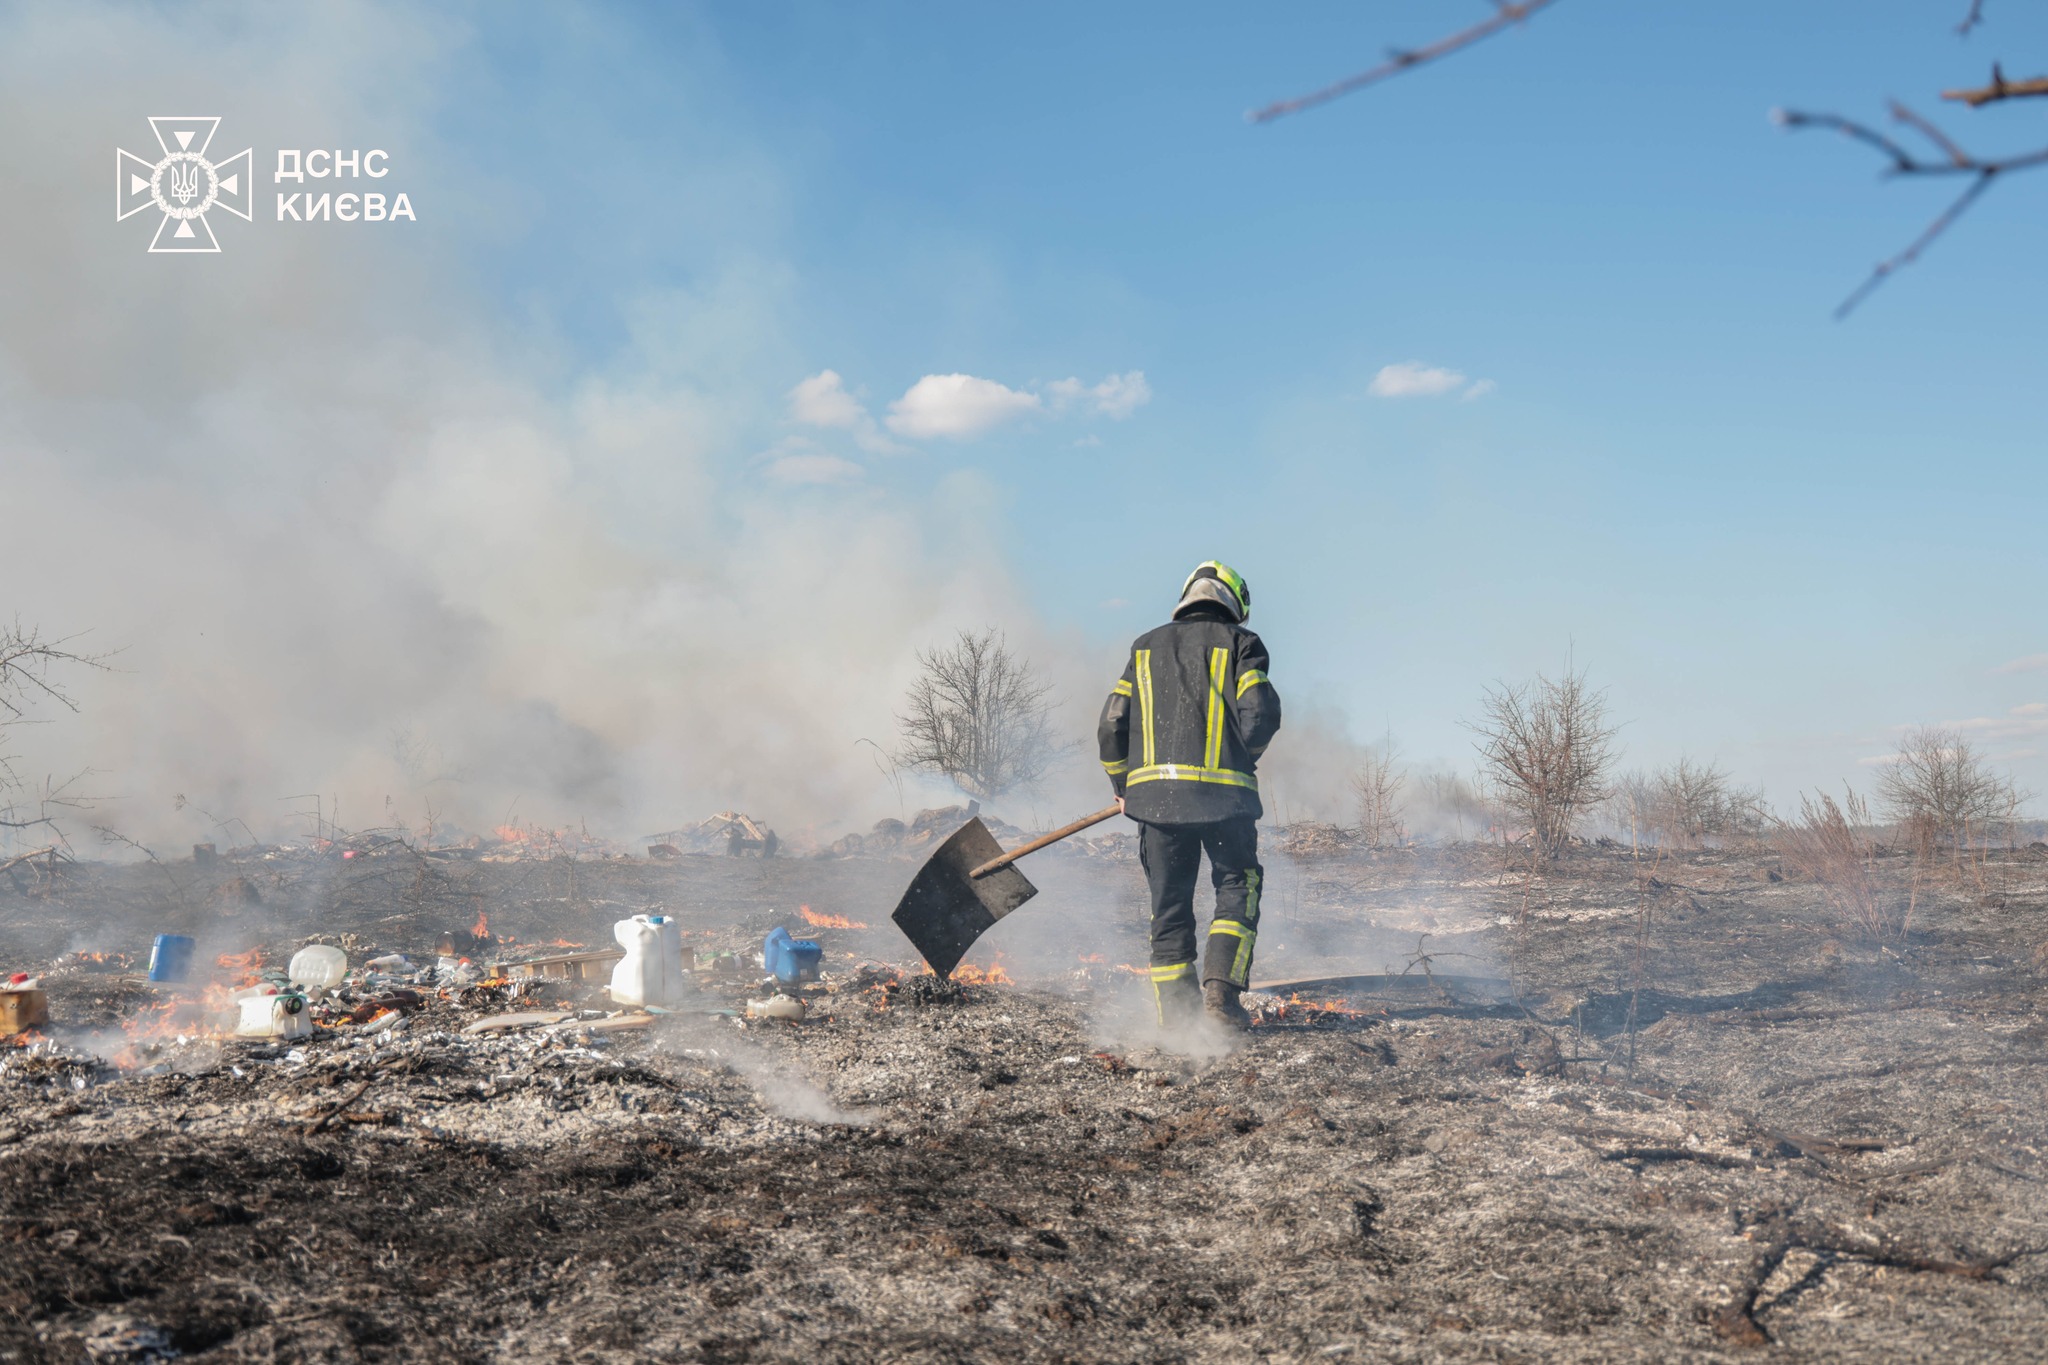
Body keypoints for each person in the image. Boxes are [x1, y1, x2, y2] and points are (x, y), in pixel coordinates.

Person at [1097, 561, 1281, 1030]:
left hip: (1155, 804)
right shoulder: (1243, 644)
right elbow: (1259, 715)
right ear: (1232, 602)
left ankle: (1178, 1025)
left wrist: (1124, 786)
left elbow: (1112, 724)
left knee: (1169, 904)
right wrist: (1242, 759)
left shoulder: (1144, 647)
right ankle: (1220, 999)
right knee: (1237, 887)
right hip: (1226, 803)